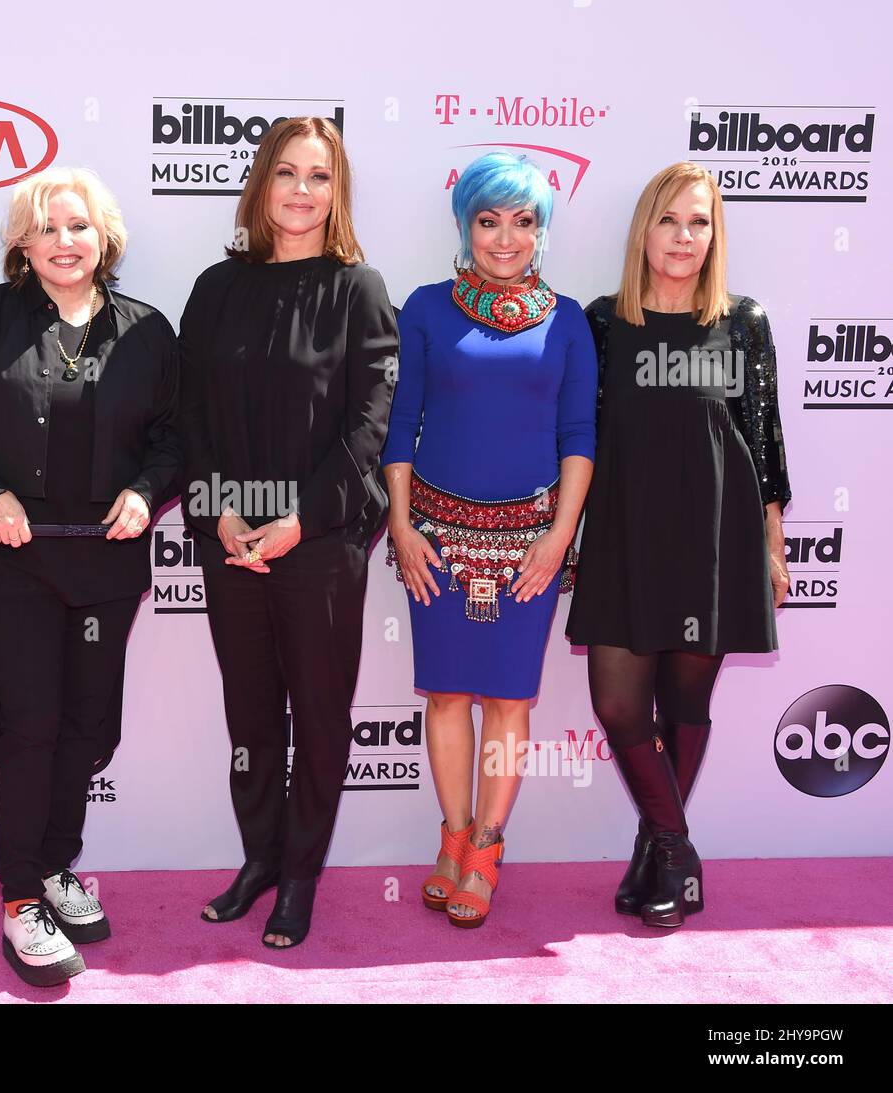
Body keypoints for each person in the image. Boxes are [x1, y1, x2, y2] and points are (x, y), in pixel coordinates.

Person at [0, 166, 180, 987]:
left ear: (103, 236)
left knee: (87, 728)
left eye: (78, 226)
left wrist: (146, 492)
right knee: (30, 726)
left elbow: (177, 438)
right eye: (47, 227)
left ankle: (58, 863)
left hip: (105, 563)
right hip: (17, 560)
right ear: (21, 243)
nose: (64, 242)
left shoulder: (147, 331)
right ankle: (20, 899)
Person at [179, 116, 397, 949]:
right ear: (261, 185)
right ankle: (260, 858)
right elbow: (188, 415)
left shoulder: (359, 289)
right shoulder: (216, 288)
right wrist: (222, 511)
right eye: (287, 173)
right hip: (230, 539)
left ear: (337, 193)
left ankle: (301, 873)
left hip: (320, 541)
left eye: (320, 175)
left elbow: (369, 421)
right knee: (252, 717)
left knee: (319, 713)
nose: (302, 190)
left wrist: (300, 518)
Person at [567, 162, 791, 928]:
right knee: (618, 703)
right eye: (670, 220)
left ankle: (659, 849)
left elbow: (763, 440)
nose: (684, 237)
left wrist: (773, 542)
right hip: (626, 534)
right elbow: (580, 438)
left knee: (684, 700)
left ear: (714, 235)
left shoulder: (744, 320)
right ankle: (676, 846)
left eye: (700, 223)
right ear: (644, 230)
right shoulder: (602, 323)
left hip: (715, 542)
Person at [383, 151, 596, 929]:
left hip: (530, 548)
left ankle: (488, 848)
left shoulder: (568, 319)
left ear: (540, 230)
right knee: (444, 694)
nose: (505, 238)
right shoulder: (426, 308)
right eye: (488, 220)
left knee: (508, 698)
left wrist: (558, 537)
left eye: (523, 220)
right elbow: (400, 423)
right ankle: (451, 839)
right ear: (465, 224)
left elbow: (579, 435)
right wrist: (401, 526)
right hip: (435, 538)